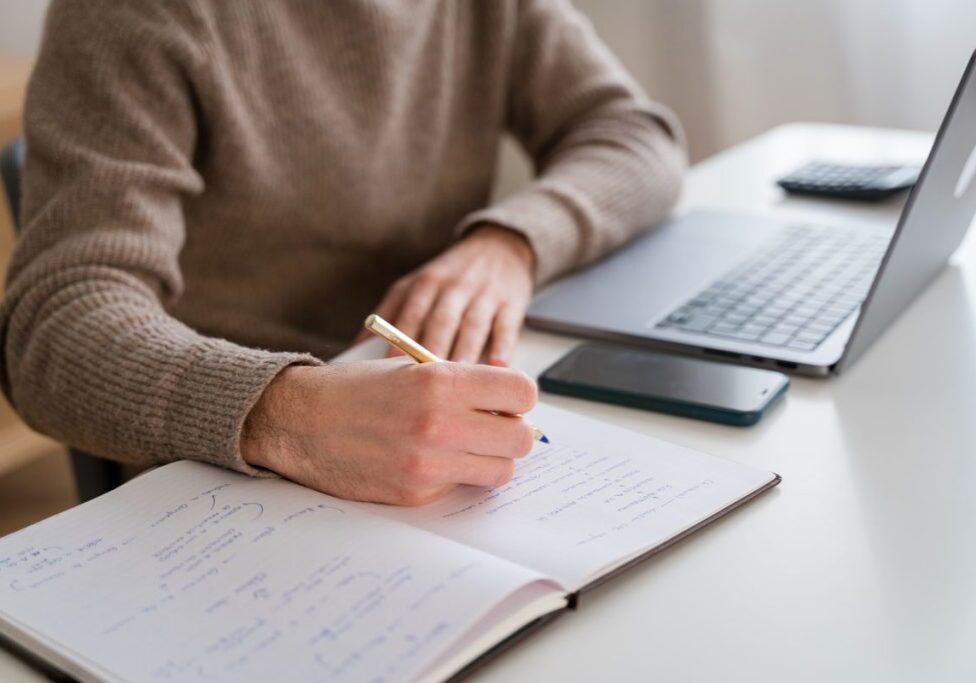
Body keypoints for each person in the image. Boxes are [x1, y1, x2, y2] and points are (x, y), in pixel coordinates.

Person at [0, 1, 685, 505]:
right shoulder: (131, 12)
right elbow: (54, 328)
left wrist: (509, 243)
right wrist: (285, 416)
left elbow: (635, 135)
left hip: (432, 419)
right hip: (229, 477)